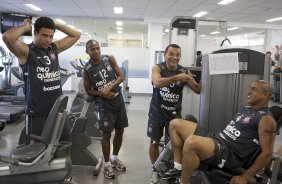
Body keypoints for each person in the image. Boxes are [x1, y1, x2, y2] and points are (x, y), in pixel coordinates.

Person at [163, 80, 277, 184]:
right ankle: (178, 168)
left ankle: (183, 182)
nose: (248, 91)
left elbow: (267, 153)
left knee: (191, 142)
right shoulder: (248, 107)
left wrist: (245, 177)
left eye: (254, 89)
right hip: (218, 138)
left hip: (229, 152)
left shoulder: (266, 120)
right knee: (175, 124)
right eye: (250, 88)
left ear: (266, 95)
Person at [2, 17, 81, 142]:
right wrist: (25, 27)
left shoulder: (54, 48)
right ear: (35, 33)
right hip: (38, 111)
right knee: (38, 150)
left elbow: (76, 35)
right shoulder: (26, 51)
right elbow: (7, 37)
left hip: (58, 109)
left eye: (51, 36)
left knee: (64, 145)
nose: (48, 40)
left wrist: (55, 24)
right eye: (44, 35)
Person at [147, 44, 201, 184]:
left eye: (177, 55)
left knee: (173, 146)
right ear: (165, 55)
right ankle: (155, 170)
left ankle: (170, 170)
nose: (174, 57)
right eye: (171, 54)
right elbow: (157, 82)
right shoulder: (158, 67)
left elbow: (197, 90)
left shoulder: (183, 71)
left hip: (174, 115)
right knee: (154, 142)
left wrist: (194, 78)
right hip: (157, 113)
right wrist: (177, 77)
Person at [83, 39, 128, 179]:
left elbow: (121, 76)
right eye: (92, 49)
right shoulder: (87, 69)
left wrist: (108, 88)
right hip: (104, 105)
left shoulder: (109, 59)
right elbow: (88, 90)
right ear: (87, 51)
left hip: (118, 100)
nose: (96, 51)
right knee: (106, 134)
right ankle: (107, 164)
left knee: (120, 131)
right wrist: (101, 93)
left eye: (97, 48)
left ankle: (115, 158)